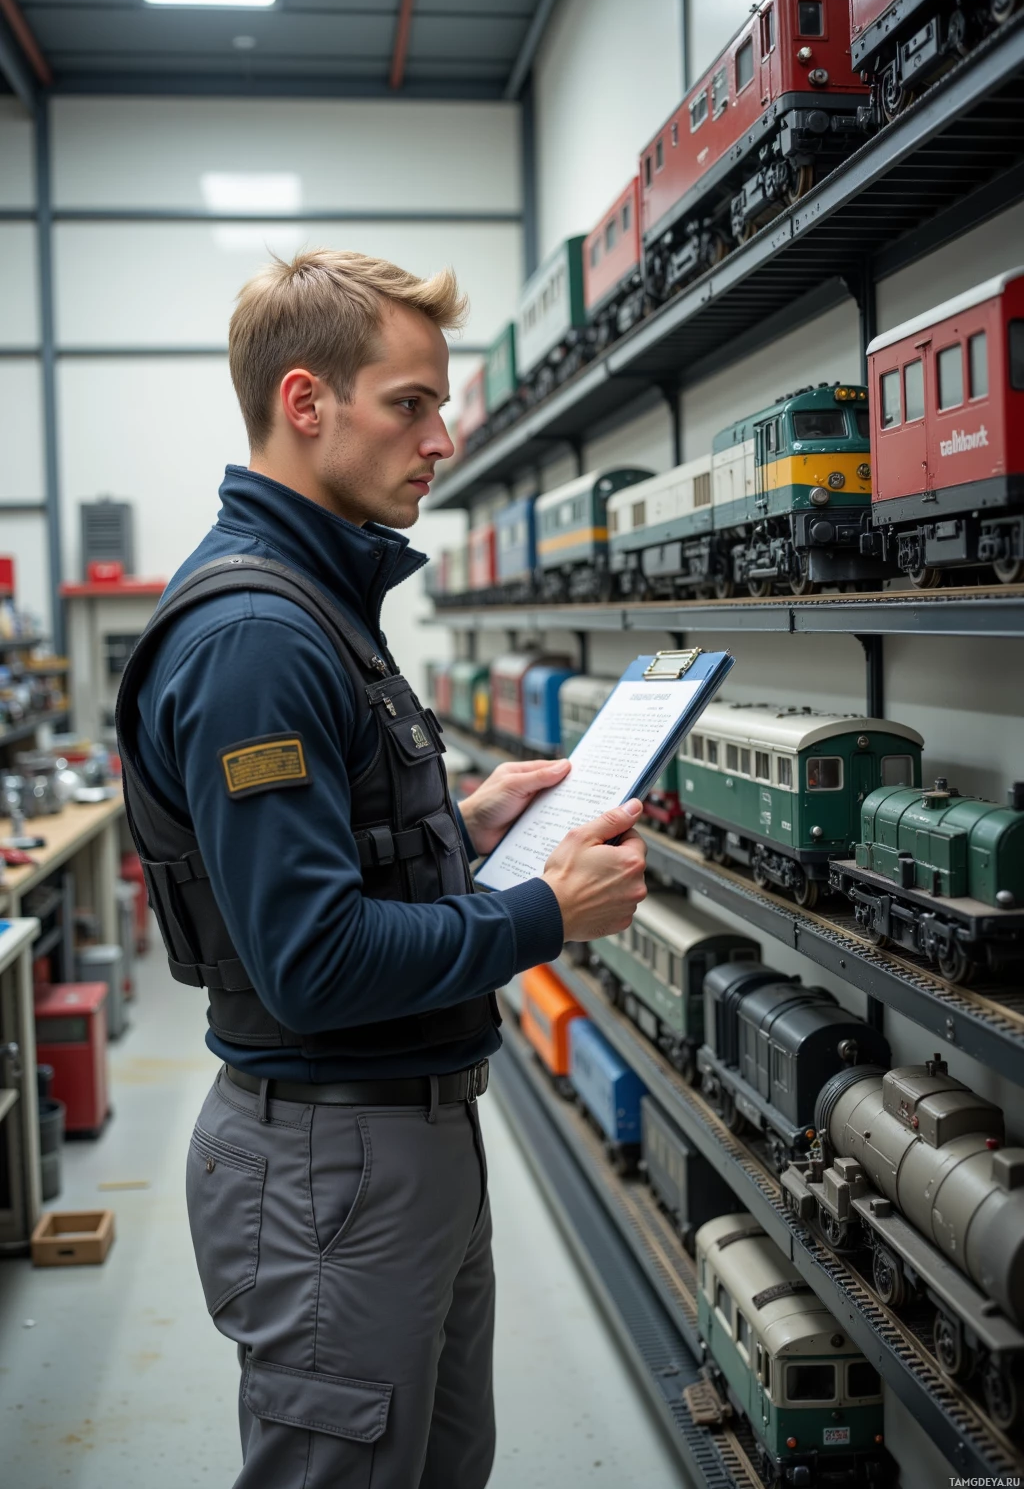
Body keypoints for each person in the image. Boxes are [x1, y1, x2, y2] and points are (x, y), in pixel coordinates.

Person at [115, 249, 648, 1489]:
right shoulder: (258, 636)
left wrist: (458, 830)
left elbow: (319, 866)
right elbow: (310, 963)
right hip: (330, 1170)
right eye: (411, 403)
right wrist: (542, 911)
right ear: (307, 403)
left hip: (397, 1141)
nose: (442, 438)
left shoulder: (319, 599)